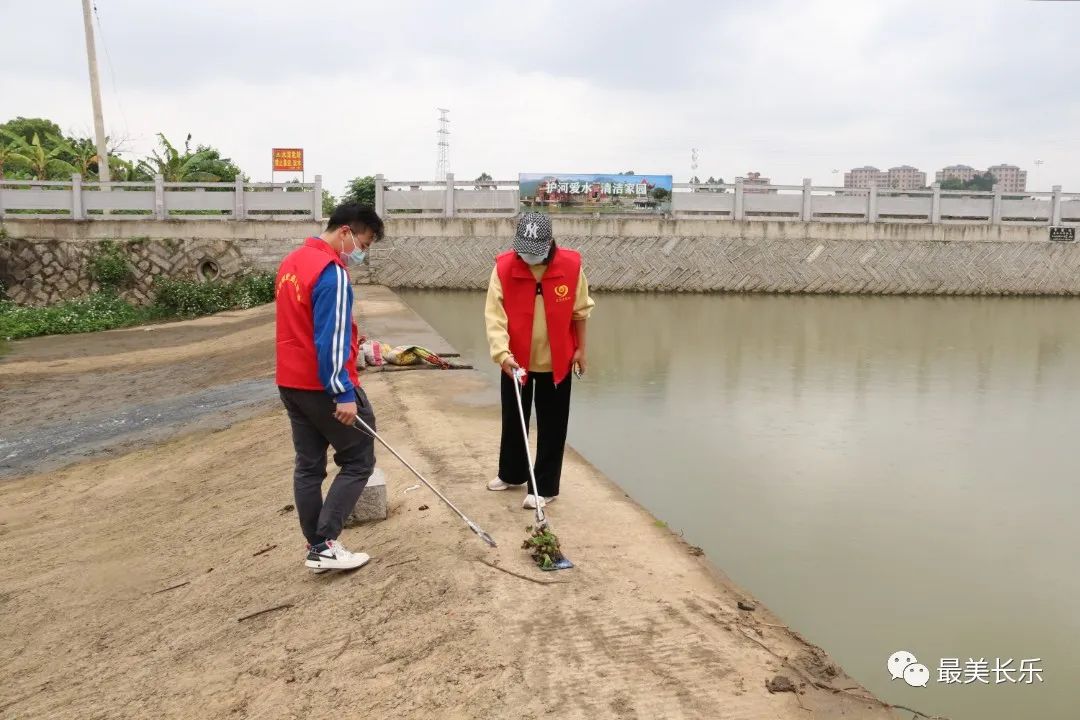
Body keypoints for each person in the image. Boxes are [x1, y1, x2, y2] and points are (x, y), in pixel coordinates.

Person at [275, 203, 385, 572]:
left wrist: (353, 340)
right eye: (363, 244)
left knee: (308, 467)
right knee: (358, 460)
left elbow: (309, 324)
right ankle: (324, 545)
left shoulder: (292, 262)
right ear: (346, 233)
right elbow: (329, 336)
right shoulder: (332, 272)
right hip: (323, 385)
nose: (361, 252)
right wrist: (342, 391)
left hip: (290, 382)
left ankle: (315, 544)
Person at [484, 211, 595, 509]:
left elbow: (580, 311)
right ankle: (512, 473)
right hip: (515, 361)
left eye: (535, 252)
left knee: (552, 424)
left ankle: (544, 487)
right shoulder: (504, 267)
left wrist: (581, 350)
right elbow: (494, 316)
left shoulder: (571, 266)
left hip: (556, 362)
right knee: (514, 419)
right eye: (524, 251)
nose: (528, 257)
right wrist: (501, 353)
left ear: (550, 244)